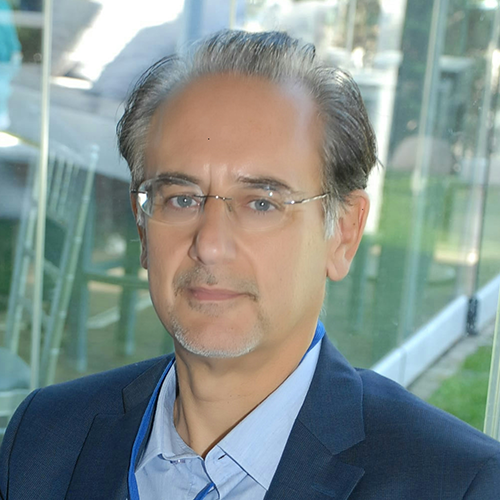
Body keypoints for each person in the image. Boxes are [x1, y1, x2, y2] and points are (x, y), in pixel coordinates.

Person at [1, 30, 499, 500]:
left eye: (262, 203)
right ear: (143, 226)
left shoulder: (459, 484)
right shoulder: (42, 438)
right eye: (181, 198)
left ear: (343, 233)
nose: (211, 245)